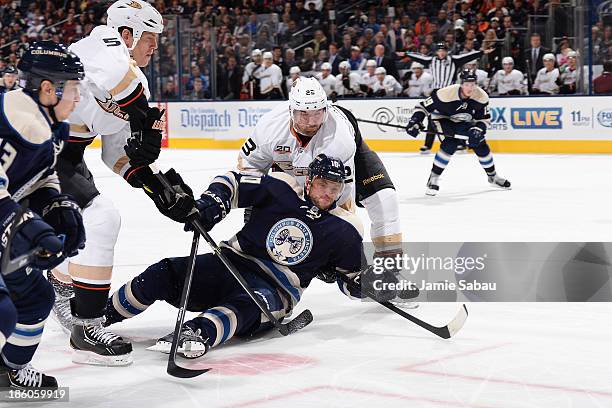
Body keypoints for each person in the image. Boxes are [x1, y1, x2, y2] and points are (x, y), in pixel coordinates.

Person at [103, 155, 399, 357]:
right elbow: (232, 182)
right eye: (322, 185)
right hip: (228, 263)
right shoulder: (282, 189)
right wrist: (211, 204)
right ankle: (100, 315)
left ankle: (197, 334)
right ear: (309, 181)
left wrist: (368, 283)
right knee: (164, 272)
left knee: (246, 305)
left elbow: (350, 281)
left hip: (275, 291)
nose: (327, 194)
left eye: (334, 189)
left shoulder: (345, 228)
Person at [47, 0, 193, 367]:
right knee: (100, 219)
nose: (155, 47)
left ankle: (62, 287)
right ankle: (87, 324)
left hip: (64, 159)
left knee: (87, 221)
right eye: (149, 38)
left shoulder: (136, 82)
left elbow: (116, 154)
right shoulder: (100, 43)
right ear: (125, 35)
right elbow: (113, 76)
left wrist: (157, 188)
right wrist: (143, 115)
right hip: (32, 149)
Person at [237, 78, 406, 275]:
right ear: (291, 110)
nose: (311, 123)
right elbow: (249, 166)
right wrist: (252, 205)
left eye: (317, 114)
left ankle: (390, 273)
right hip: (292, 168)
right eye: (304, 115)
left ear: (326, 110)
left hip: (340, 161)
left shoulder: (339, 140)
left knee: (385, 201)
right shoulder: (269, 128)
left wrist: (337, 246)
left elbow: (341, 198)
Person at [0, 41, 85, 391]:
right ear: (49, 89)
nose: (78, 99)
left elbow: (41, 176)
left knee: (35, 297)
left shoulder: (46, 123)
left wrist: (54, 204)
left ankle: (11, 370)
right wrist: (27, 226)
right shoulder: (18, 120)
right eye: (74, 89)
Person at [405, 69, 511, 196]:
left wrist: (478, 129)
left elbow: (483, 119)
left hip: (463, 121)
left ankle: (493, 177)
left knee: (480, 143)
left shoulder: (481, 97)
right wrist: (416, 120)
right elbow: (422, 106)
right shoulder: (445, 93)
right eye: (467, 84)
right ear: (461, 84)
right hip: (442, 119)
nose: (470, 88)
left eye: (473, 84)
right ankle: (433, 178)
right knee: (450, 143)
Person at [406, 43, 492, 154]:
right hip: (438, 93)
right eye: (439, 51)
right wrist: (406, 54)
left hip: (453, 92)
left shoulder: (453, 60)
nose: (441, 53)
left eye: (443, 50)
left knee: (460, 116)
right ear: (436, 52)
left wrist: (482, 52)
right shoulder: (431, 60)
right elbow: (419, 57)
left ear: (447, 51)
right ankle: (428, 145)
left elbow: (467, 57)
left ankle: (460, 143)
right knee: (432, 118)